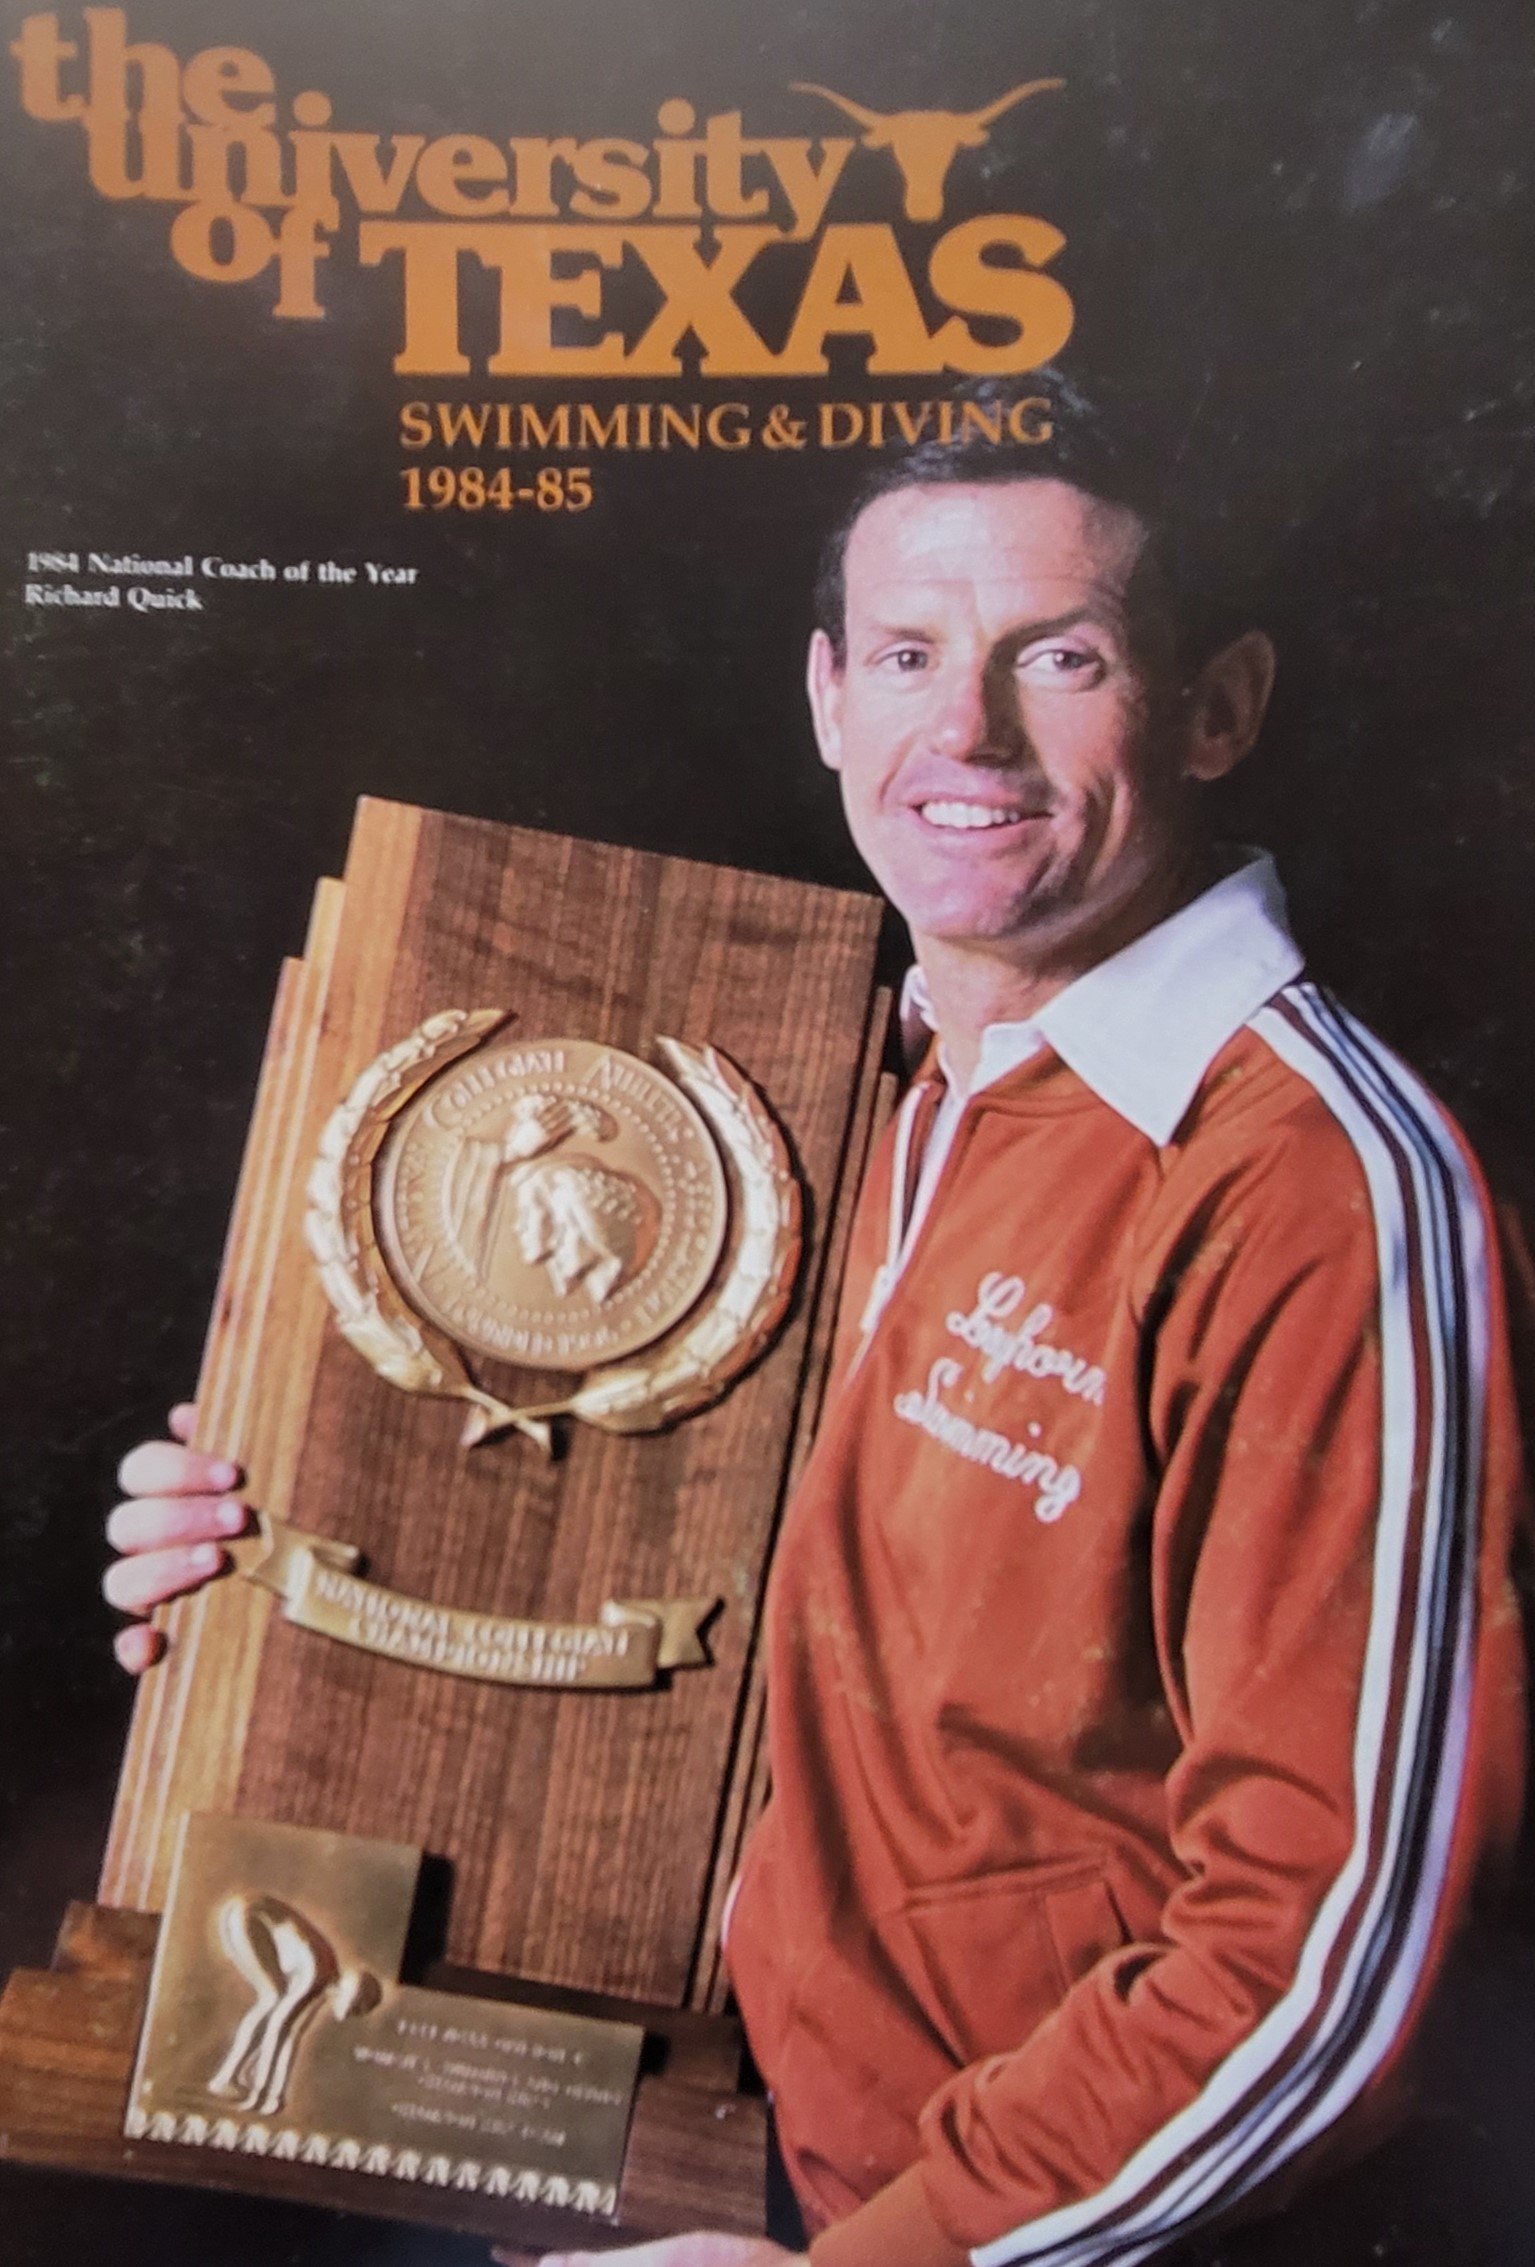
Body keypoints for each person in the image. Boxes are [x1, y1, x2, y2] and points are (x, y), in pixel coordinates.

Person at [104, 391, 1529, 2267]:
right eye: (910, 655)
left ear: (1217, 707)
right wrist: (269, 1577)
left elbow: (1330, 1966)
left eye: (1065, 658)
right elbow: (728, 1627)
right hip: (714, 2152)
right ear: (827, 700)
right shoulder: (886, 1100)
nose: (968, 733)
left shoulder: (1317, 1185)